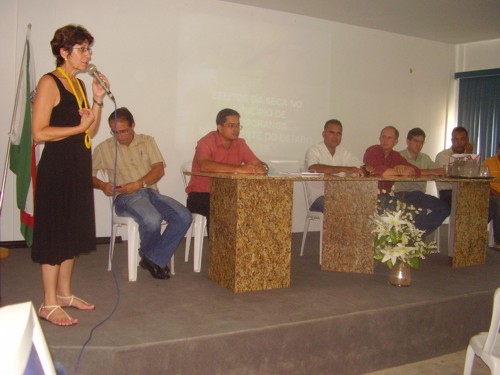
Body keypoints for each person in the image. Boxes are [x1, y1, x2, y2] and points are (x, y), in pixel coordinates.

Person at [31, 25, 108, 326]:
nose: (88, 55)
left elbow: (91, 130)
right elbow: (39, 132)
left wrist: (98, 99)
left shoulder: (78, 84)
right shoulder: (50, 83)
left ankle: (64, 294)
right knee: (54, 234)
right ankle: (48, 303)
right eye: (82, 49)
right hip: (57, 168)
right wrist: (77, 128)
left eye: (89, 49)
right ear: (64, 53)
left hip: (77, 166)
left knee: (72, 232)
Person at [92, 107, 192, 280]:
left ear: (133, 126)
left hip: (150, 192)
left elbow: (159, 170)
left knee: (183, 216)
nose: (119, 136)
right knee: (152, 218)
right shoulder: (103, 148)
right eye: (114, 132)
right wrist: (102, 185)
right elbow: (87, 175)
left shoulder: (147, 141)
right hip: (125, 198)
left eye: (123, 131)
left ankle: (151, 258)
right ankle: (154, 259)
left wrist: (139, 183)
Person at [185, 108, 268, 224]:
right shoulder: (206, 142)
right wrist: (240, 169)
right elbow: (205, 165)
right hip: (201, 195)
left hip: (229, 193)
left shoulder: (240, 143)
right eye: (231, 125)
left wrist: (263, 168)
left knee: (256, 203)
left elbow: (258, 163)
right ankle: (218, 243)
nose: (236, 129)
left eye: (238, 126)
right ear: (219, 127)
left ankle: (247, 242)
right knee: (221, 206)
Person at [394, 128, 450, 236]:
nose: (418, 145)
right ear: (408, 141)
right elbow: (410, 172)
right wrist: (428, 172)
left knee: (445, 208)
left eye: (421, 142)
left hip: (419, 194)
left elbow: (438, 171)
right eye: (415, 141)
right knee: (421, 212)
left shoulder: (425, 158)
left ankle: (417, 236)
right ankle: (417, 238)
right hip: (402, 194)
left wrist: (438, 171)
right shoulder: (399, 156)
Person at [304, 119, 369, 212]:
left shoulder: (344, 152)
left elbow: (361, 167)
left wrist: (365, 169)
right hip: (319, 196)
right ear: (323, 134)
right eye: (332, 132)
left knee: (364, 203)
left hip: (342, 195)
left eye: (339, 133)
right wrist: (343, 169)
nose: (335, 136)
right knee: (342, 206)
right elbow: (314, 168)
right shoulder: (314, 150)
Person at [435, 126, 471, 206]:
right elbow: (451, 176)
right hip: (447, 191)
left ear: (467, 140)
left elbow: (472, 176)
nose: (459, 142)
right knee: (468, 202)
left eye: (462, 139)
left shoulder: (471, 155)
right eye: (456, 139)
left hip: (467, 191)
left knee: (490, 202)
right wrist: (467, 156)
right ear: (452, 140)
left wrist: (468, 155)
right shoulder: (442, 156)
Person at [483, 142, 500, 249]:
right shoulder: (488, 162)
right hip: (491, 194)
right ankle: (498, 241)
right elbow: (483, 185)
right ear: (498, 149)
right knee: (498, 203)